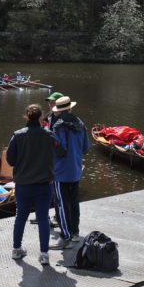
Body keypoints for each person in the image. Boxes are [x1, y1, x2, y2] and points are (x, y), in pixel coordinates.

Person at [6, 104, 56, 266]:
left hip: (23, 184)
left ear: (26, 117)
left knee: (20, 216)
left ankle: (16, 249)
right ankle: (43, 254)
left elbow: (11, 160)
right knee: (42, 218)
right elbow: (60, 153)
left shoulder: (17, 135)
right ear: (41, 118)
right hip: (44, 185)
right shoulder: (50, 135)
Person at [48, 96, 90, 250]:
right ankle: (75, 232)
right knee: (73, 202)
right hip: (76, 170)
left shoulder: (58, 126)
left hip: (60, 171)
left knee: (60, 204)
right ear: (70, 108)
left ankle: (65, 237)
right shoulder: (81, 124)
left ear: (58, 111)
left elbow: (60, 150)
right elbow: (86, 148)